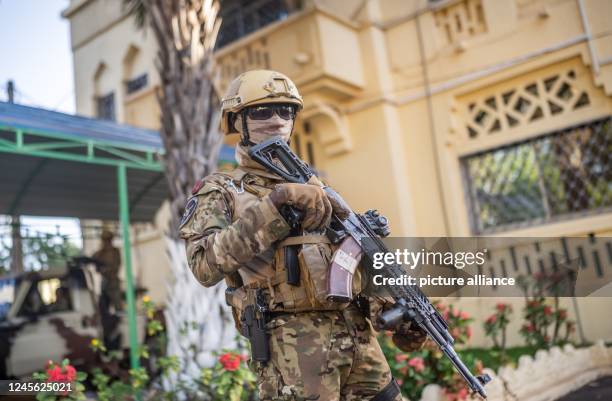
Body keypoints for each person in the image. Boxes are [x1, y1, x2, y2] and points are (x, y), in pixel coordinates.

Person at [179, 70, 427, 401]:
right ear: (238, 121)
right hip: (294, 353)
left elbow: (349, 260)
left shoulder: (320, 190)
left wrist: (399, 309)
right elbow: (205, 265)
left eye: (286, 110)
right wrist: (276, 205)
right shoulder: (222, 190)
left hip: (360, 344)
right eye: (262, 111)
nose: (277, 120)